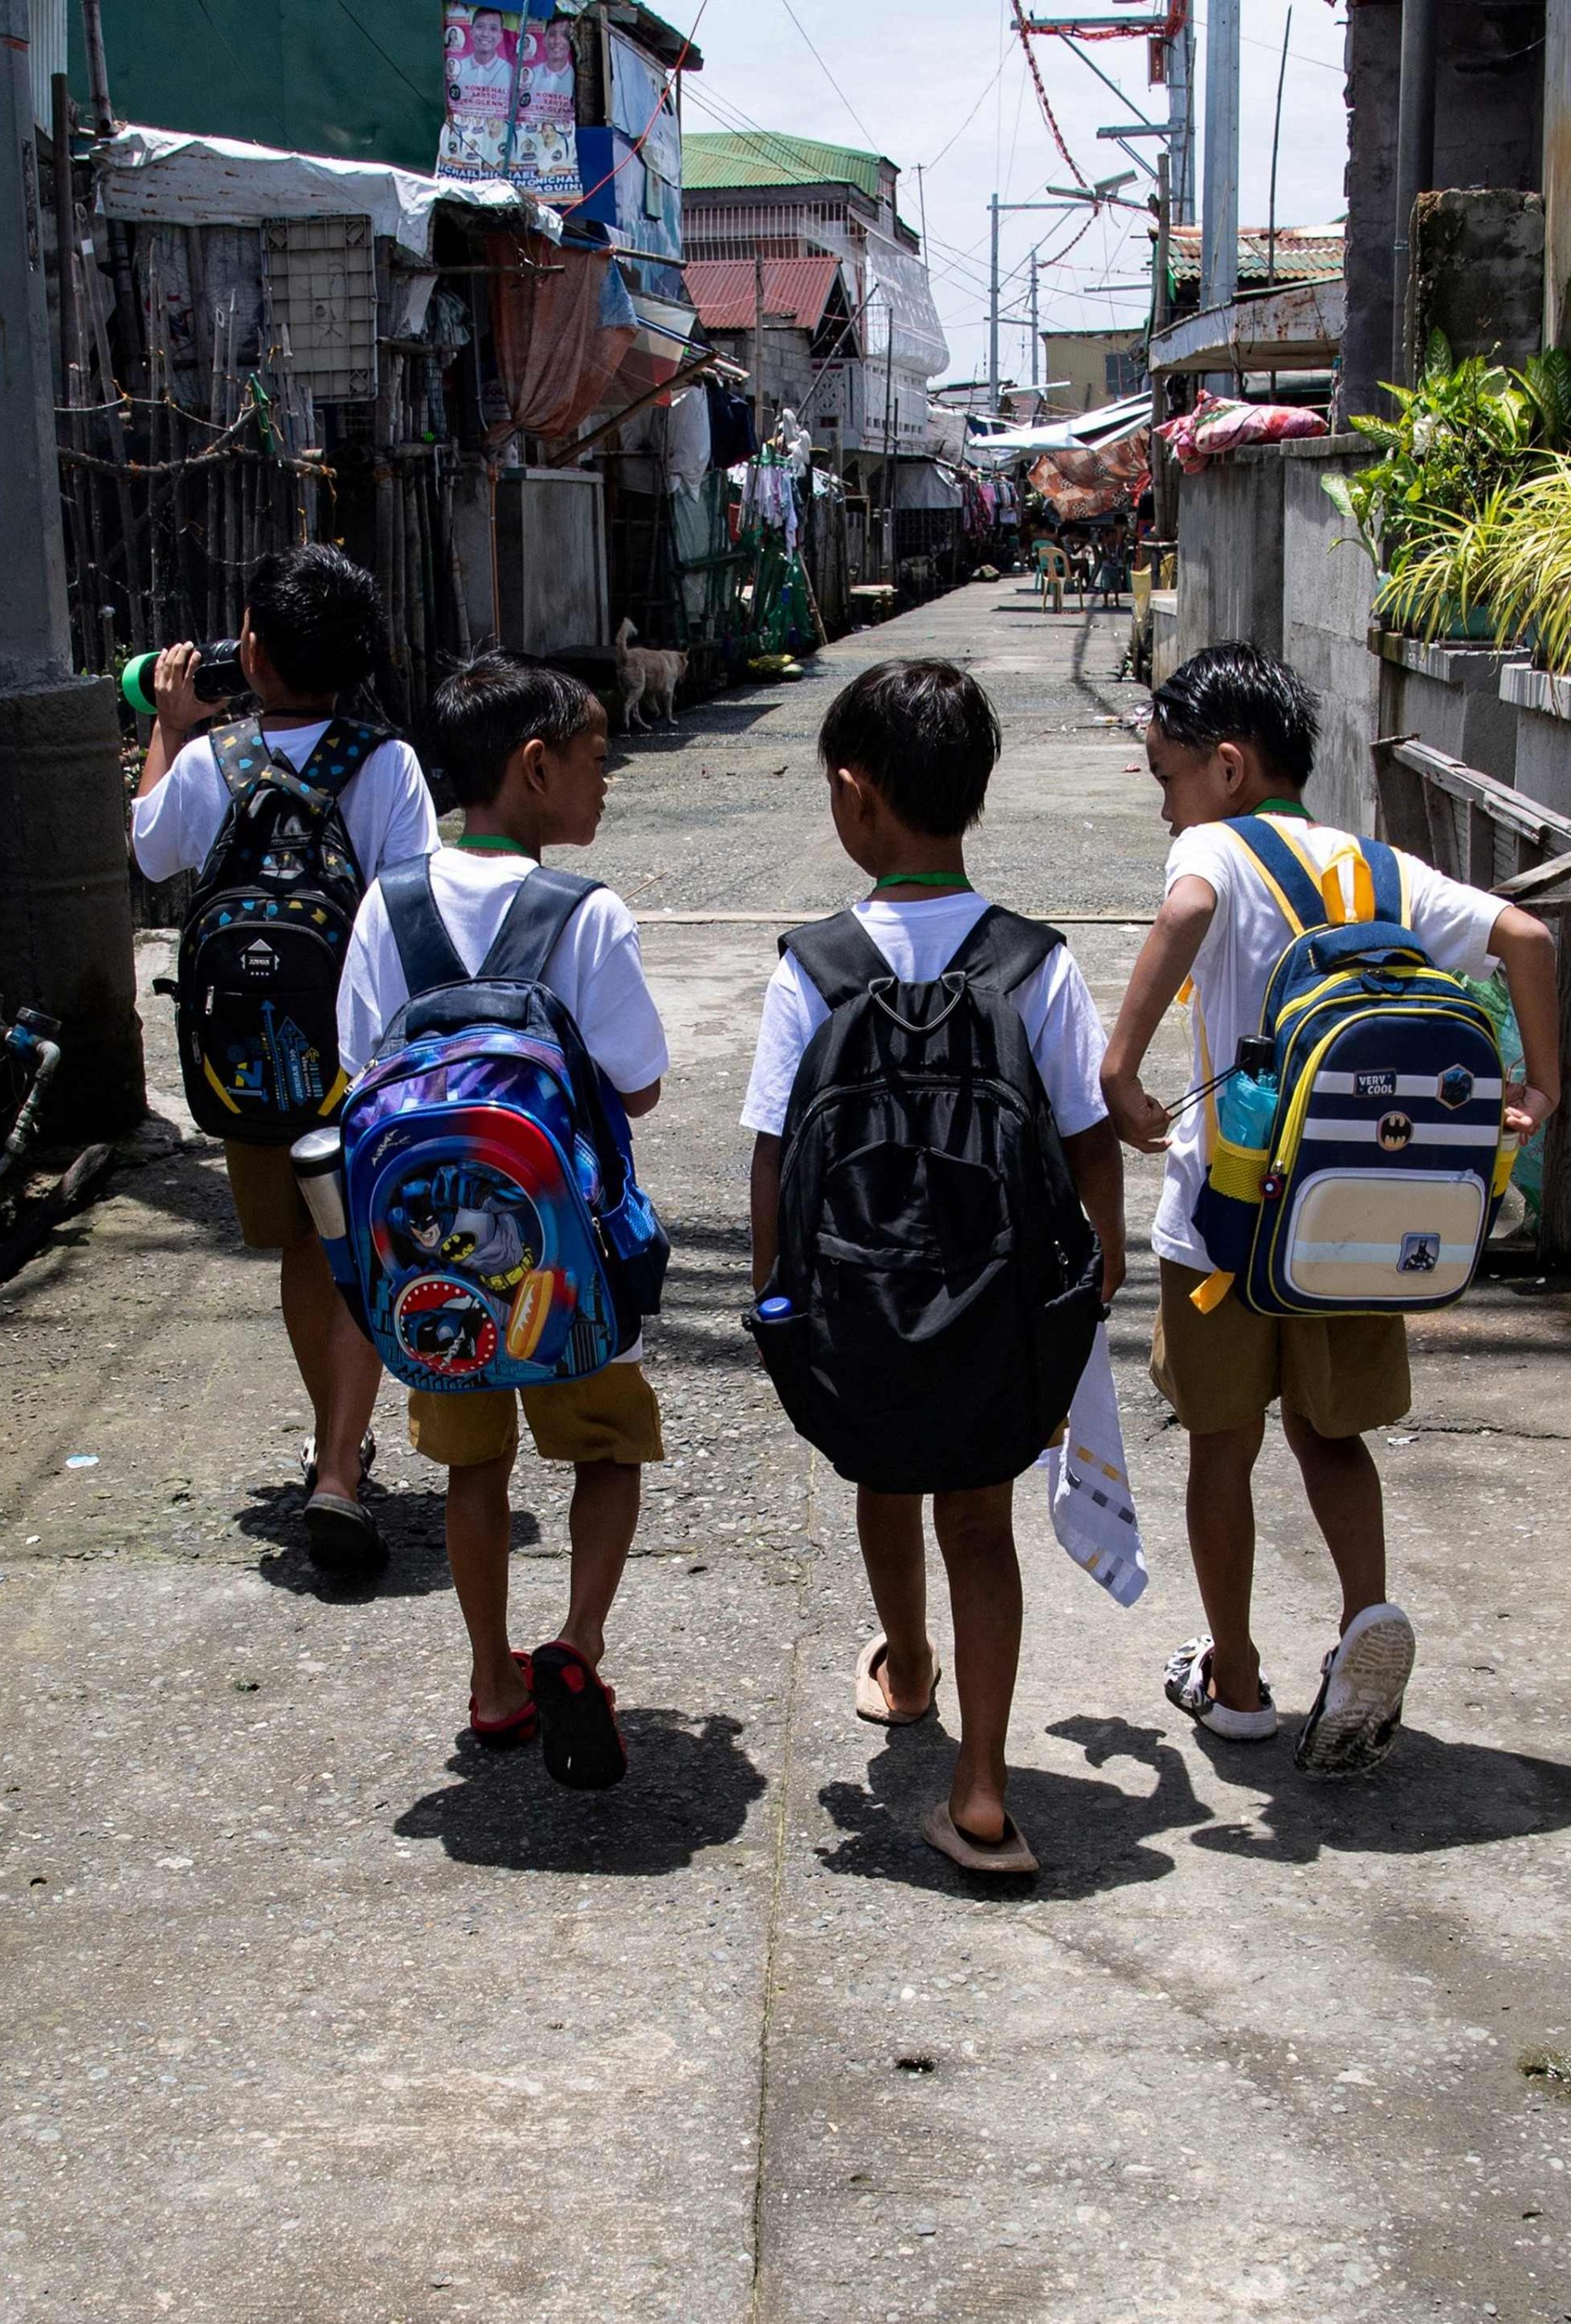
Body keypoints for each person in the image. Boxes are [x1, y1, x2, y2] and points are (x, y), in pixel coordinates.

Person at [1096, 642, 1562, 1775]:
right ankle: (1364, 1614)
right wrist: (1538, 1083)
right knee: (1330, 1430)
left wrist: (1120, 1069)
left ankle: (1238, 1679)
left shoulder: (1209, 846)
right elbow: (1524, 935)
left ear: (1224, 765)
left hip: (1224, 1218)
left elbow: (1187, 909)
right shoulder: (1375, 866)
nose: (1165, 809)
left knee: (1221, 1441)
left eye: (1165, 779)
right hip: (1355, 1218)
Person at [741, 661, 1123, 1873]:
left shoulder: (812, 963)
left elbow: (771, 1157)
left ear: (855, 797)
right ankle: (979, 1787)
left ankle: (906, 1672)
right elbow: (1086, 1144)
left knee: (881, 1472)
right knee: (979, 1516)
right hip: (999, 1300)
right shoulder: (1034, 962)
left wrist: (776, 1301)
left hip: (855, 1297)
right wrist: (1089, 1294)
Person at [337, 655, 670, 1784]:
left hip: (436, 1274)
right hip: (567, 1261)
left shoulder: (388, 901)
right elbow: (637, 1080)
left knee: (470, 1470)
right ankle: (575, 1639)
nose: (605, 779)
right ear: (532, 768)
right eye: (592, 756)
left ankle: (492, 1681)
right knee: (607, 1448)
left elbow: (357, 1071)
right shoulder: (585, 912)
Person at [130, 546, 431, 1571]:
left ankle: (336, 1457)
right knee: (346, 1248)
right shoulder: (388, 765)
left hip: (247, 1066)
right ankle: (339, 1459)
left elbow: (149, 851)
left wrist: (166, 731)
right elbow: (409, 902)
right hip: (358, 1062)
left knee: (302, 1252)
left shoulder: (213, 760)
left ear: (248, 647)